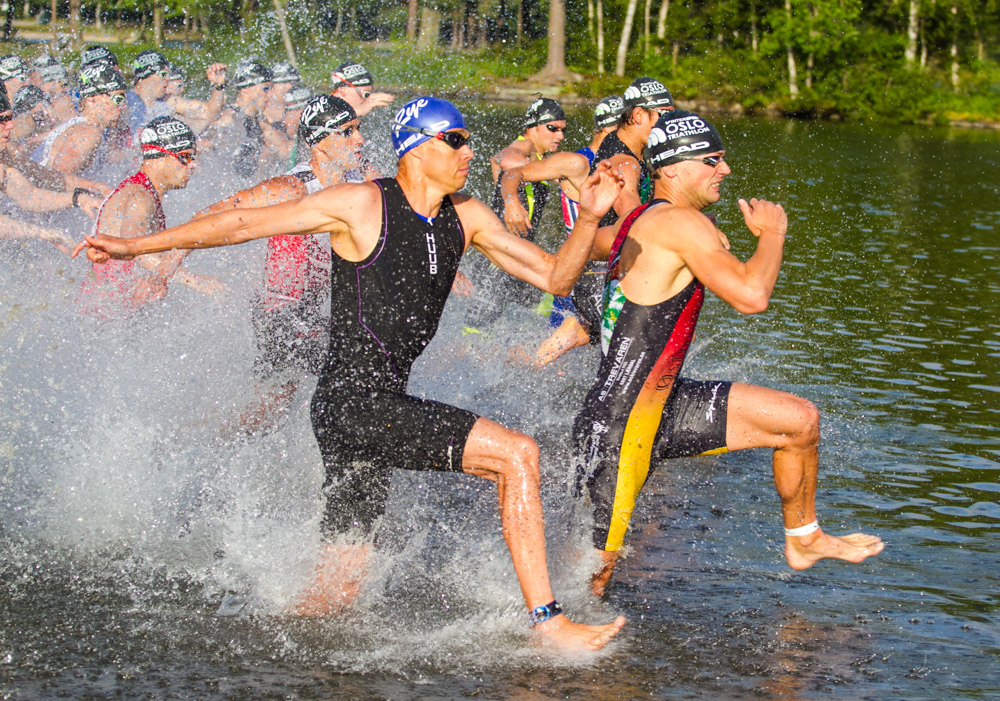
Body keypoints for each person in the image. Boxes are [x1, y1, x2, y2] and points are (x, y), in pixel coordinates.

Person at [74, 96, 627, 651]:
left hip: (373, 408)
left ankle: (238, 646)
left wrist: (596, 217)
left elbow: (556, 276)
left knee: (336, 594)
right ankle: (549, 624)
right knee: (517, 454)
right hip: (351, 405)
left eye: (467, 140)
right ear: (417, 146)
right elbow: (244, 223)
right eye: (454, 140)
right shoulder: (362, 204)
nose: (468, 151)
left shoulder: (467, 216)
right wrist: (134, 246)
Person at [573, 110, 885, 597]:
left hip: (665, 405)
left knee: (798, 422)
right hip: (621, 422)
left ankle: (804, 538)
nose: (726, 170)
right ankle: (548, 650)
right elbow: (751, 297)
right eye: (712, 160)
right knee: (594, 579)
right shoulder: (677, 222)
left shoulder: (644, 219)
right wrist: (774, 234)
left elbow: (591, 248)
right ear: (673, 169)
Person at [195, 95, 367, 436]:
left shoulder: (354, 186)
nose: (360, 140)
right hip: (281, 318)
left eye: (359, 129)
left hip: (312, 314)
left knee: (267, 411)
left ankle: (196, 443)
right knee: (361, 370)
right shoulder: (292, 187)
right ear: (319, 141)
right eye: (348, 132)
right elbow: (210, 216)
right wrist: (164, 260)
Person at [501, 96, 625, 365]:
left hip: (606, 272)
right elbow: (511, 170)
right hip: (581, 272)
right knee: (563, 359)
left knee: (575, 354)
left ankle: (525, 365)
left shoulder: (626, 165)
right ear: (608, 129)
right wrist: (511, 201)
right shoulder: (577, 162)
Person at [75, 116, 223, 319]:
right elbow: (137, 250)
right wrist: (196, 282)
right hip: (108, 314)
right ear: (159, 156)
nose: (193, 165)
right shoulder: (141, 197)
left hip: (111, 307)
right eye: (185, 157)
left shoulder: (142, 190)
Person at [464, 97, 567, 332]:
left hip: (521, 256)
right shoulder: (526, 147)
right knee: (475, 333)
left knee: (556, 299)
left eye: (562, 130)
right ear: (533, 127)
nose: (559, 136)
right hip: (497, 259)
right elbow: (503, 158)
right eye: (552, 129)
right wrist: (547, 173)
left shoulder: (540, 159)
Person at [594, 76, 674, 227]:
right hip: (612, 248)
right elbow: (636, 224)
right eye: (664, 115)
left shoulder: (624, 142)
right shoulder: (624, 163)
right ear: (638, 115)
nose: (668, 124)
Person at [32, 62, 128, 179]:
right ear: (91, 99)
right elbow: (57, 180)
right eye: (118, 99)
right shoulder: (88, 133)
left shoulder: (75, 125)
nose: (122, 106)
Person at [160, 62, 228, 133]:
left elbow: (210, 113)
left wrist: (218, 86)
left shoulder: (173, 103)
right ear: (166, 83)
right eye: (179, 85)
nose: (183, 90)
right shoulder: (167, 102)